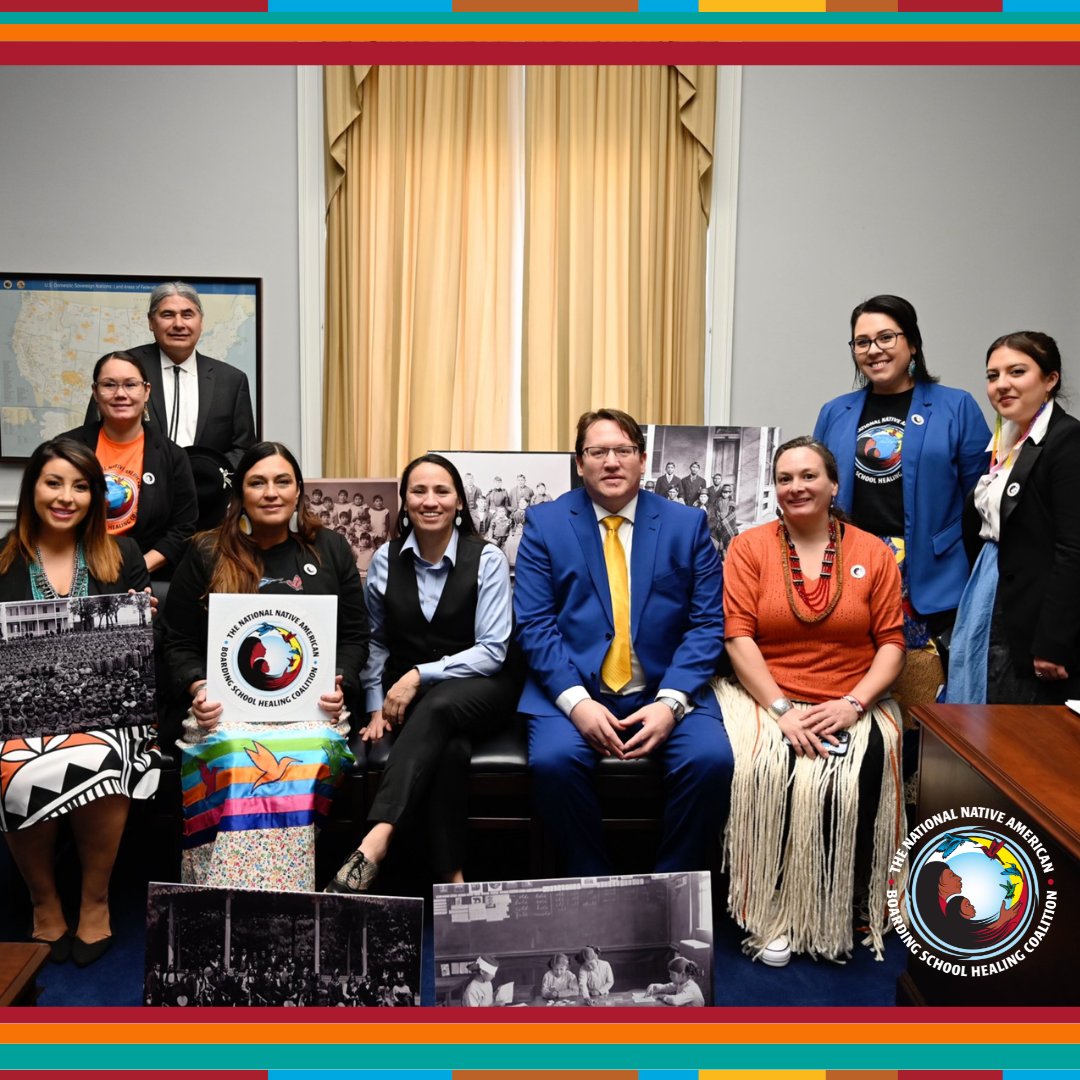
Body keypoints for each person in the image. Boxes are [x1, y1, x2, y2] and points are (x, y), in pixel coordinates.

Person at [514, 408, 733, 875]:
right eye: (598, 451)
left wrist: (671, 702)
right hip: (571, 690)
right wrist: (576, 703)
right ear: (579, 462)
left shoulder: (687, 524)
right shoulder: (545, 525)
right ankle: (596, 892)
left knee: (711, 760)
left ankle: (669, 895)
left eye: (623, 451)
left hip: (665, 687)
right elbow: (535, 624)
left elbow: (706, 624)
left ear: (642, 458)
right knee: (554, 762)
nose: (611, 461)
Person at [716, 436, 906, 963]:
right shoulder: (748, 548)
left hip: (853, 697)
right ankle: (770, 914)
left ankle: (840, 909)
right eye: (785, 478)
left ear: (833, 484)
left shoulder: (873, 552)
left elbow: (892, 644)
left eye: (808, 476)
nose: (796, 487)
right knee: (767, 772)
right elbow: (739, 638)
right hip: (767, 695)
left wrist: (854, 704)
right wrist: (782, 711)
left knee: (855, 777)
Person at [159, 441, 368, 891]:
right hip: (222, 709)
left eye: (282, 481)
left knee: (299, 760)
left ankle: (285, 903)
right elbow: (176, 641)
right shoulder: (206, 552)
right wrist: (197, 688)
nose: (271, 492)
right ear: (241, 494)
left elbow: (353, 636)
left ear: (298, 492)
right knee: (234, 757)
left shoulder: (328, 549)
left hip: (313, 708)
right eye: (258, 482)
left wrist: (341, 682)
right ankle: (224, 897)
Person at [326, 454, 519, 893]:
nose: (430, 501)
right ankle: (452, 879)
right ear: (404, 502)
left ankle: (375, 842)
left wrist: (417, 675)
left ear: (460, 503)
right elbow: (375, 642)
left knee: (439, 700)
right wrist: (374, 706)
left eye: (441, 491)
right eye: (418, 491)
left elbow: (492, 651)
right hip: (410, 700)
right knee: (448, 751)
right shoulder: (384, 560)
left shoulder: (486, 558)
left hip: (484, 689)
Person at [0, 438, 160, 967]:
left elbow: (147, 648)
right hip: (19, 717)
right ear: (33, 491)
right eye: (53, 483)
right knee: (12, 766)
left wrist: (145, 619)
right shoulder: (2, 561)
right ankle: (44, 902)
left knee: (108, 754)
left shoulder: (124, 555)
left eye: (80, 486)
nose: (66, 497)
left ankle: (94, 901)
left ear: (95, 496)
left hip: (107, 713)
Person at [813, 295, 989, 705]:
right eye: (862, 342)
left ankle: (916, 765)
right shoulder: (835, 412)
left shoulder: (955, 406)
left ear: (912, 343)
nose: (873, 350)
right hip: (853, 562)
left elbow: (978, 499)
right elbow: (821, 488)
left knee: (921, 685)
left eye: (886, 337)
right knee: (852, 675)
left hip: (930, 571)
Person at [947, 331, 1080, 704]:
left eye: (1017, 372)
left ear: (1050, 379)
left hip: (1033, 611)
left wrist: (1054, 641)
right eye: (993, 376)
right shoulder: (1004, 443)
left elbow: (1074, 549)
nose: (1002, 385)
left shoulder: (1067, 441)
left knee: (1016, 720)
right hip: (988, 589)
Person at [85, 281, 256, 467]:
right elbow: (90, 440)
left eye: (187, 315)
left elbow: (244, 450)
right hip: (135, 489)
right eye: (168, 315)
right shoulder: (123, 369)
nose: (179, 324)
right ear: (151, 322)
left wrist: (205, 473)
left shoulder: (231, 381)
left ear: (201, 321)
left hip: (205, 491)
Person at [64, 350, 198, 580]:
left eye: (130, 384)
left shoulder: (172, 456)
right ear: (95, 392)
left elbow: (183, 528)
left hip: (144, 576)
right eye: (109, 385)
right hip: (74, 572)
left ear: (146, 391)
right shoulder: (67, 448)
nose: (120, 394)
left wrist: (137, 568)